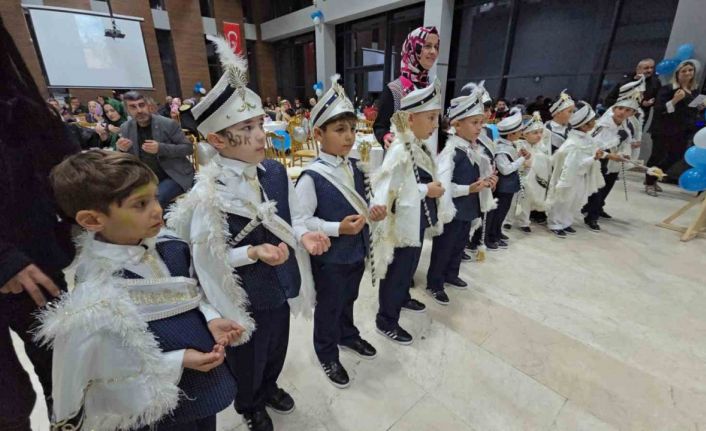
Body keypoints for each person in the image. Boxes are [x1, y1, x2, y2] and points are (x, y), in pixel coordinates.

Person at [167, 35, 331, 431]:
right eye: (248, 128)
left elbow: (294, 219)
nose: (262, 136)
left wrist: (305, 237)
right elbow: (206, 258)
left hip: (282, 283)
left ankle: (269, 386)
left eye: (260, 124)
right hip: (246, 294)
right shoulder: (207, 194)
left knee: (277, 346)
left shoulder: (274, 172)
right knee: (249, 355)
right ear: (217, 139)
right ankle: (250, 403)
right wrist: (252, 254)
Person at [41, 150, 244, 430]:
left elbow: (192, 292)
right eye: (140, 204)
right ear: (92, 220)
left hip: (203, 373)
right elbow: (111, 367)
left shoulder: (171, 246)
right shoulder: (96, 290)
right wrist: (179, 360)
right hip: (156, 404)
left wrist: (210, 318)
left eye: (155, 197)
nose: (157, 209)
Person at [0, 16, 80, 430]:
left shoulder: (19, 105)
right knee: (8, 401)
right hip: (15, 263)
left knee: (65, 377)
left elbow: (63, 172)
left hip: (38, 266)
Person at [295, 74, 387, 388]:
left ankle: (348, 334)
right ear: (319, 134)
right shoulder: (311, 177)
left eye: (351, 129)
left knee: (350, 297)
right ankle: (326, 351)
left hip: (356, 251)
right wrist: (336, 228)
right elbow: (302, 222)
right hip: (330, 258)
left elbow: (364, 201)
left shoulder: (354, 166)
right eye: (339, 130)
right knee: (330, 304)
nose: (349, 137)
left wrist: (373, 210)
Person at [371, 80, 453, 344]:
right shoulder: (399, 149)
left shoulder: (417, 144)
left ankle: (402, 298)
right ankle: (386, 319)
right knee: (397, 270)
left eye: (435, 118)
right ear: (409, 118)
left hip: (416, 219)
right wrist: (425, 190)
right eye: (429, 118)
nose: (434, 125)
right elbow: (388, 190)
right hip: (401, 225)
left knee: (409, 266)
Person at [427, 83, 496, 305]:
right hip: (453, 211)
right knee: (444, 247)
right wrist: (470, 189)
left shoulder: (475, 150)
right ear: (456, 124)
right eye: (474, 123)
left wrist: (487, 182)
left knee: (459, 245)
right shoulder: (451, 153)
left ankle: (451, 273)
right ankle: (435, 282)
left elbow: (480, 174)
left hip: (468, 209)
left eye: (481, 123)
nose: (479, 127)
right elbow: (443, 187)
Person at [116, 90, 195, 210]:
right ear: (127, 110)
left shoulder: (168, 124)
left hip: (174, 175)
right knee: (122, 197)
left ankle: (155, 226)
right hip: (145, 177)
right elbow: (127, 158)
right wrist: (121, 150)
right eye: (133, 107)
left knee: (153, 200)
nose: (139, 110)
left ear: (148, 105)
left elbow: (188, 148)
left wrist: (161, 148)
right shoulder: (126, 128)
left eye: (141, 105)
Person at [584, 78, 642, 231]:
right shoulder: (603, 125)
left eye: (628, 110)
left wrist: (626, 153)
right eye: (621, 108)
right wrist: (613, 147)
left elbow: (627, 142)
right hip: (601, 160)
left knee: (607, 187)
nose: (623, 112)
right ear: (614, 108)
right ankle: (592, 216)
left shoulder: (626, 125)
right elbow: (594, 145)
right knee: (598, 188)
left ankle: (595, 208)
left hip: (614, 162)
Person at [373, 26, 440, 150]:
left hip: (428, 156)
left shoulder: (432, 87)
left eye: (436, 47)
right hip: (403, 160)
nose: (433, 52)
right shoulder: (395, 89)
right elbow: (380, 126)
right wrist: (385, 136)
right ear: (413, 48)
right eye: (427, 46)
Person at [546, 101, 605, 237]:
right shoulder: (573, 142)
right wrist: (593, 158)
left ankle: (566, 222)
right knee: (563, 200)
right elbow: (574, 164)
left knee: (575, 200)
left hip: (581, 176)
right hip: (570, 177)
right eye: (592, 121)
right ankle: (555, 223)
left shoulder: (587, 139)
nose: (594, 123)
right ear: (584, 126)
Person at [645, 59, 704, 195]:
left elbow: (690, 110)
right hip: (664, 129)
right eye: (684, 71)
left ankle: (653, 177)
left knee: (675, 156)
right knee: (657, 156)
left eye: (690, 70)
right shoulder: (668, 88)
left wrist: (700, 106)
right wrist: (674, 100)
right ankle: (649, 181)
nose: (687, 73)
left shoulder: (694, 91)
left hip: (682, 130)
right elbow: (659, 109)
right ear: (677, 73)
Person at [486, 108, 528, 250]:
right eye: (518, 132)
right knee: (497, 214)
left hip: (508, 186)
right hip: (503, 186)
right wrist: (521, 159)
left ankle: (497, 232)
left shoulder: (508, 145)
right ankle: (491, 236)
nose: (520, 134)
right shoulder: (501, 148)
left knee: (502, 212)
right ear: (510, 135)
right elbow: (505, 169)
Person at [512, 112, 551, 233]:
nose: (539, 136)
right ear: (525, 134)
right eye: (535, 133)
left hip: (533, 180)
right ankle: (507, 221)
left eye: (540, 132)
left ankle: (524, 221)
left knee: (527, 202)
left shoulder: (542, 147)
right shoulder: (518, 145)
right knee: (512, 201)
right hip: (518, 177)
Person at [543, 90, 576, 154]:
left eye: (573, 112)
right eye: (570, 111)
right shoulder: (545, 130)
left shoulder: (571, 129)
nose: (572, 115)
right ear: (558, 113)